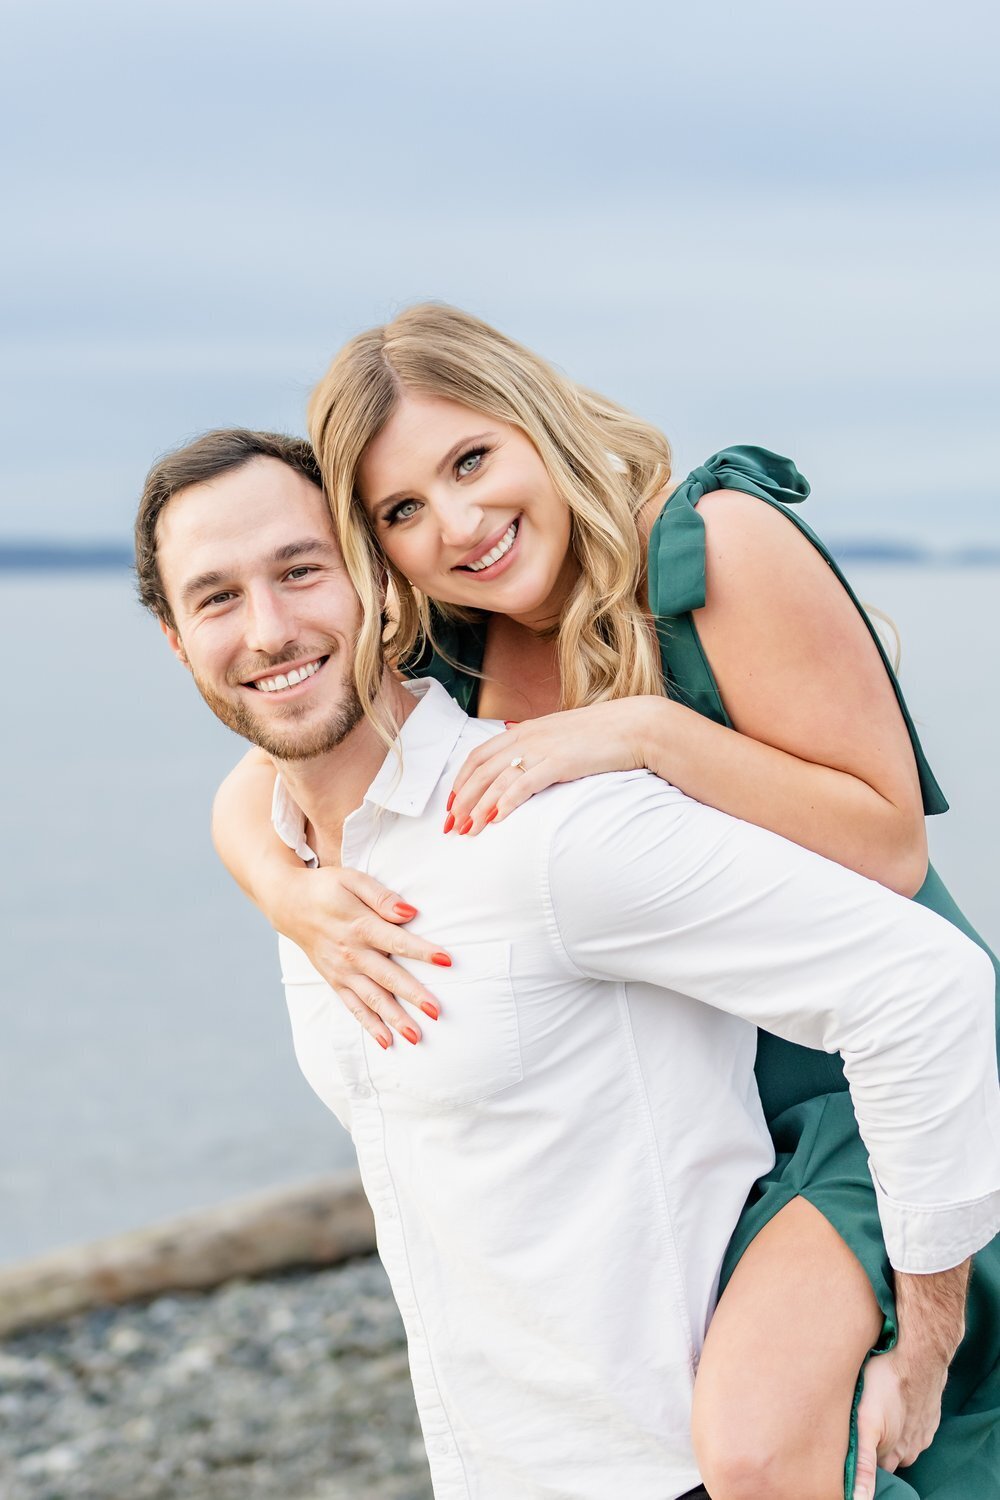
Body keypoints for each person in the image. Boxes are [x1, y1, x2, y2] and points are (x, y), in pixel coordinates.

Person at [208, 307, 1000, 1500]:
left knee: (747, 1444)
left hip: (864, 1078)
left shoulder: (708, 548)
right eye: (401, 512)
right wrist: (285, 891)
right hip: (708, 1106)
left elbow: (886, 849)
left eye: (471, 461)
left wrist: (643, 732)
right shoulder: (450, 642)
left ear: (535, 419)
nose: (458, 525)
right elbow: (259, 768)